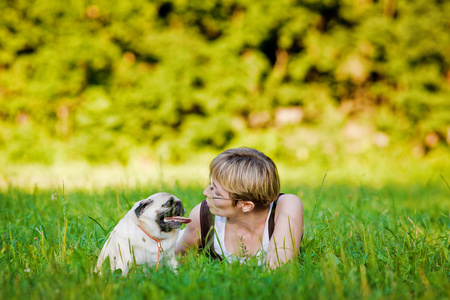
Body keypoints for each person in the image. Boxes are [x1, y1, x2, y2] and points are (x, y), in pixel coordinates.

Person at [175, 147, 304, 268]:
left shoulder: (287, 205)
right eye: (211, 185)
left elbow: (278, 270)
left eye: (217, 193)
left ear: (247, 205)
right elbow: (176, 263)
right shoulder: (203, 215)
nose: (205, 193)